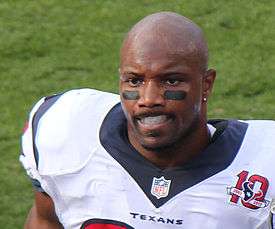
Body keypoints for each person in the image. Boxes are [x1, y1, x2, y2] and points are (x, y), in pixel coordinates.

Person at [20, 11, 275, 229]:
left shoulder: (263, 161)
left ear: (205, 84)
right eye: (135, 80)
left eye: (171, 80)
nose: (149, 98)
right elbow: (46, 220)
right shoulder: (64, 128)